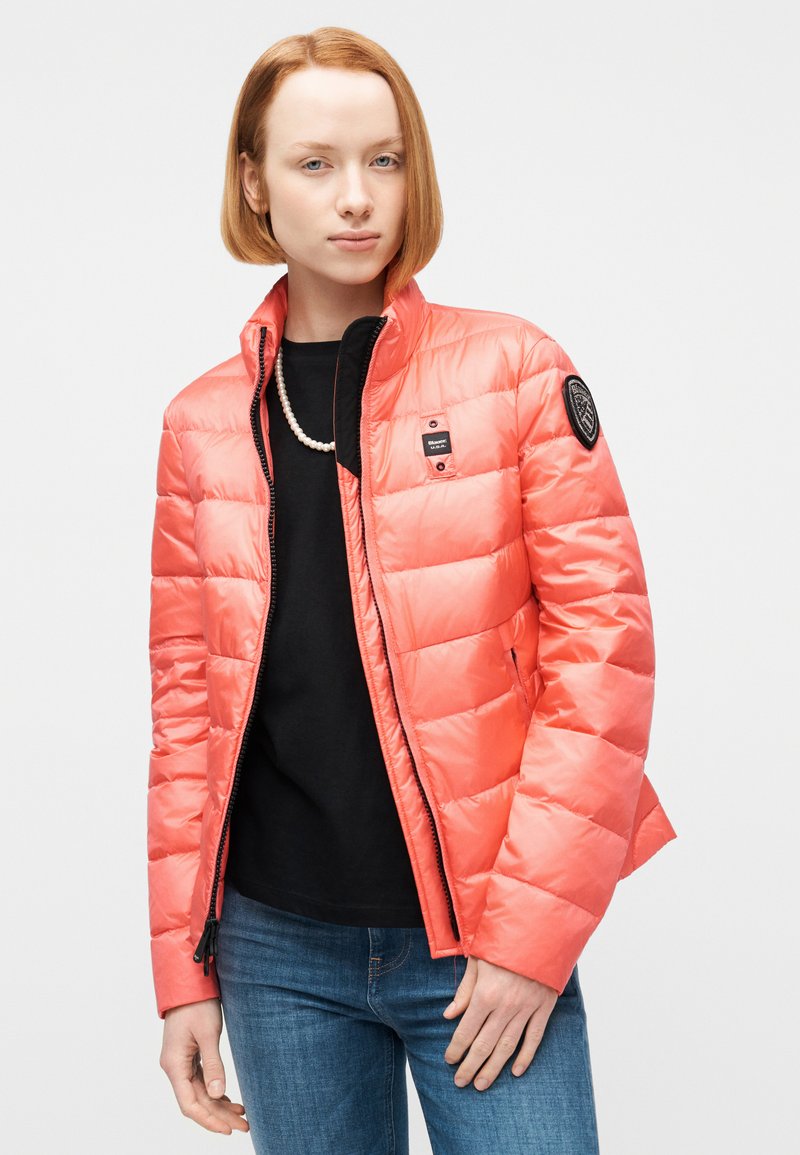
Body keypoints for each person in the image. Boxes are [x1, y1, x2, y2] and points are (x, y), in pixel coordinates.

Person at [146, 25, 677, 1155]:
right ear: (254, 182)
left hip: (481, 935)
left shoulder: (513, 370)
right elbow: (189, 712)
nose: (356, 197)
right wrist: (183, 971)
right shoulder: (200, 423)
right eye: (315, 163)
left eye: (383, 160)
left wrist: (531, 938)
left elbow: (604, 660)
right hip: (275, 949)